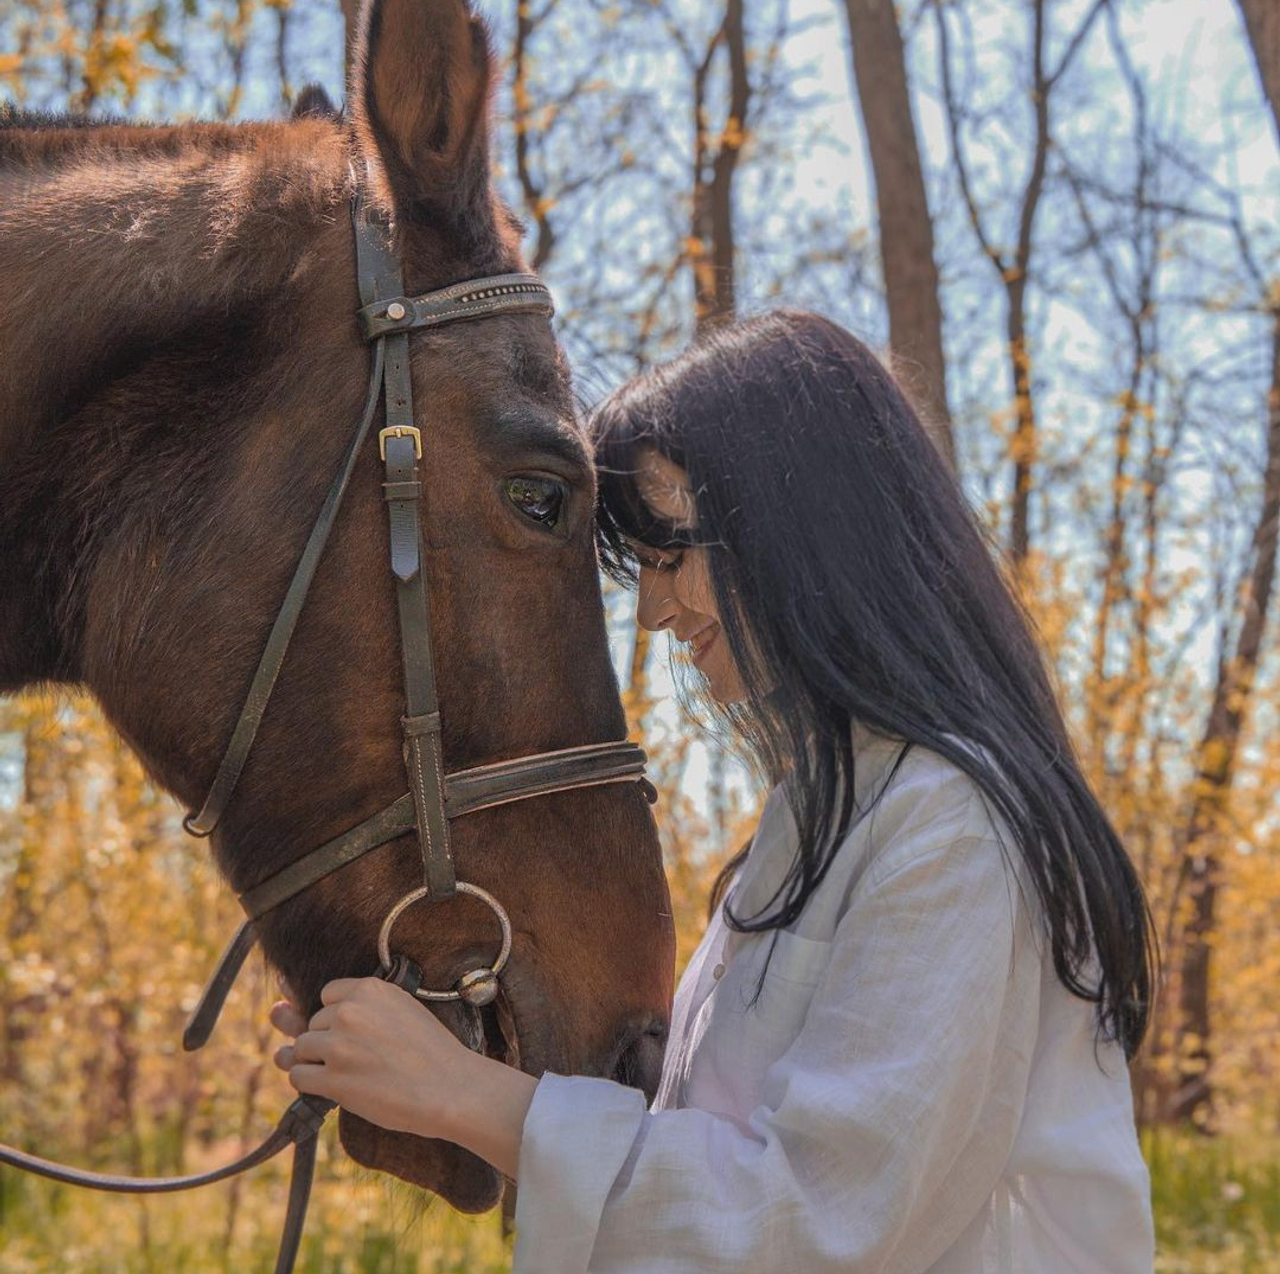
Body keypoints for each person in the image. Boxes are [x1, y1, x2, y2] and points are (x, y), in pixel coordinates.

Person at [270, 310, 1157, 1272]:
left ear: (803, 531)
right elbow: (716, 1142)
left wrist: (469, 1098)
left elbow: (819, 1218)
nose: (653, 612)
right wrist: (428, 1070)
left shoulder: (953, 824)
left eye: (669, 555)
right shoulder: (826, 811)